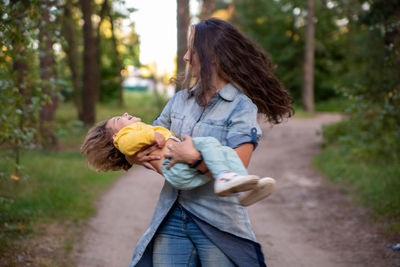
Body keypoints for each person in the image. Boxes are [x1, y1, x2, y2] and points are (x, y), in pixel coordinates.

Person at [128, 18, 294, 266]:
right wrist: (134, 156)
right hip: (171, 216)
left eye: (192, 51)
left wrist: (192, 158)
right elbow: (151, 141)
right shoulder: (179, 101)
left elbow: (239, 165)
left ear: (212, 56)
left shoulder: (241, 107)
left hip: (218, 223)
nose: (185, 57)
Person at [80, 112, 276, 206]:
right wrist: (149, 138)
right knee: (208, 143)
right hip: (175, 168)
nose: (124, 114)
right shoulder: (127, 136)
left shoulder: (142, 128)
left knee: (225, 152)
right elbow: (128, 144)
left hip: (181, 168)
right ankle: (225, 177)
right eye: (117, 120)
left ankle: (244, 187)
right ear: (115, 137)